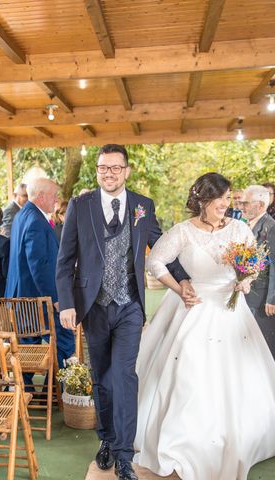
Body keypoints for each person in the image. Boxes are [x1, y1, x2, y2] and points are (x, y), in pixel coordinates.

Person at [134, 173, 275, 480]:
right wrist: (178, 288)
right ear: (202, 200)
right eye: (219, 198)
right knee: (187, 374)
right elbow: (155, 261)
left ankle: (240, 436)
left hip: (231, 312)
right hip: (193, 309)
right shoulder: (182, 231)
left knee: (239, 376)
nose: (226, 204)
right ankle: (186, 441)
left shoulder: (239, 228)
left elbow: (254, 265)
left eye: (228, 197)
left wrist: (245, 281)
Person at [56, 144, 192, 480]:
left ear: (126, 171)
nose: (109, 173)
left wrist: (184, 278)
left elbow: (163, 250)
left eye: (116, 168)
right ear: (98, 170)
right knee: (102, 378)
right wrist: (68, 303)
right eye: (103, 168)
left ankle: (123, 454)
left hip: (130, 305)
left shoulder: (143, 206)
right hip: (93, 306)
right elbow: (64, 260)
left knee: (125, 375)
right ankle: (106, 440)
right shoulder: (80, 205)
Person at [6, 178, 75, 370]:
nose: (57, 200)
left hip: (24, 298)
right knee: (64, 343)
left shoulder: (23, 215)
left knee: (28, 350)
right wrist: (54, 298)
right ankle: (59, 394)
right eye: (54, 195)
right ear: (41, 196)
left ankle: (36, 395)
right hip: (36, 300)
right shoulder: (35, 220)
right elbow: (39, 264)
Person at [241, 185, 275, 365]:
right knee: (252, 347)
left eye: (246, 203)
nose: (241, 206)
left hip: (264, 299)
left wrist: (274, 299)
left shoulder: (272, 228)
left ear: (260, 205)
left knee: (266, 349)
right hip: (249, 296)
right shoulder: (249, 226)